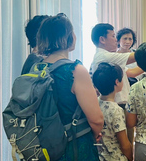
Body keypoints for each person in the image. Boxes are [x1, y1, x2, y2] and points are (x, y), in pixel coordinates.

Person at [90, 23, 146, 143]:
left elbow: (133, 72)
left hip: (121, 103)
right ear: (102, 39)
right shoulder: (105, 57)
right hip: (118, 105)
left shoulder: (109, 57)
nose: (116, 40)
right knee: (124, 142)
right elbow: (142, 54)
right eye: (113, 36)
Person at [38, 13, 104, 160]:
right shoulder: (75, 70)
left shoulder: (36, 68)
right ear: (68, 37)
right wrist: (89, 135)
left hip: (45, 146)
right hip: (74, 145)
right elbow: (97, 119)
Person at [92, 62, 133, 161]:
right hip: (115, 157)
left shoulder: (94, 104)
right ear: (117, 82)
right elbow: (124, 144)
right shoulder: (116, 110)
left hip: (99, 156)